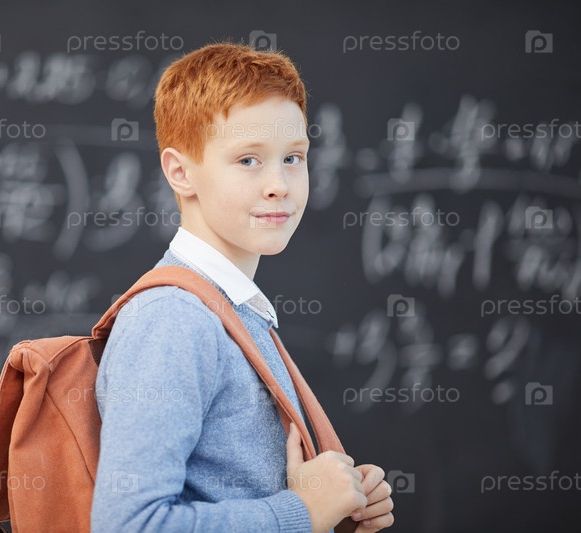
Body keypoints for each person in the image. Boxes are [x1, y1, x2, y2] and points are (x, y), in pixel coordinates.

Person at [90, 42, 395, 533]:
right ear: (180, 172)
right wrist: (303, 512)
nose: (279, 184)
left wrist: (338, 499)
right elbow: (131, 525)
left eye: (293, 157)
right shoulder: (173, 319)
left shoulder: (233, 308)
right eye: (249, 160)